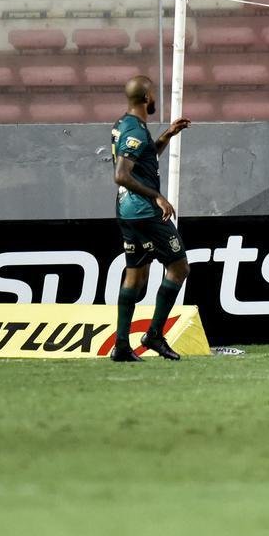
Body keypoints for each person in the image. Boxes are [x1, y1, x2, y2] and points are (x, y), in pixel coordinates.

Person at [110, 76, 191, 362]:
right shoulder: (133, 128)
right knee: (179, 266)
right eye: (154, 93)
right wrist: (157, 196)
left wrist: (166, 136)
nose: (156, 98)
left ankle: (121, 345)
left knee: (136, 274)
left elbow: (143, 159)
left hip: (127, 212)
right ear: (146, 98)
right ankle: (154, 334)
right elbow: (121, 174)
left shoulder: (124, 124)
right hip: (144, 211)